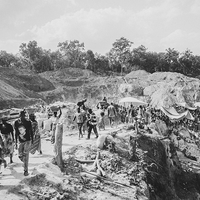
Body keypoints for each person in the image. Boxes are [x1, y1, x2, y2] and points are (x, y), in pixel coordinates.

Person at [14, 111, 33, 176]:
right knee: (20, 155)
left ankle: (26, 170)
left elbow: (31, 131)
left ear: (24, 115)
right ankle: (24, 162)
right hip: (20, 141)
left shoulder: (28, 122)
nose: (22, 117)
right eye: (20, 115)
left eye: (23, 115)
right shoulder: (16, 122)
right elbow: (16, 132)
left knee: (26, 155)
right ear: (19, 116)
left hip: (27, 140)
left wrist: (32, 140)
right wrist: (15, 142)